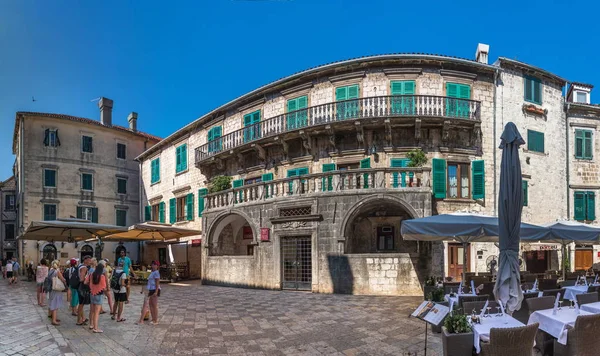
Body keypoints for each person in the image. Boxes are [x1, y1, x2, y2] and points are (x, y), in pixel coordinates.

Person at [136, 261, 160, 325]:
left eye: (155, 265)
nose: (153, 266)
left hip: (154, 289)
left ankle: (156, 320)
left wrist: (156, 291)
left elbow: (157, 283)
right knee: (151, 305)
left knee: (154, 305)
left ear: (157, 266)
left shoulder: (156, 273)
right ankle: (153, 318)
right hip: (150, 289)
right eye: (152, 265)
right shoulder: (152, 272)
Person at [85, 263, 106, 333]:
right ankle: (95, 328)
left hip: (92, 294)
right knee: (97, 312)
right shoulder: (102, 276)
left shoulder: (91, 274)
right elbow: (104, 286)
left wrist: (91, 285)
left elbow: (85, 282)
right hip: (99, 295)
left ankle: (91, 325)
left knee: (92, 311)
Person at [47, 260, 67, 326]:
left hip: (51, 289)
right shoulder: (57, 271)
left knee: (52, 302)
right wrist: (65, 281)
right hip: (56, 288)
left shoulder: (50, 270)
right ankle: (54, 320)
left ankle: (53, 316)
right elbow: (63, 279)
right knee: (55, 304)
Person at [76, 256, 92, 326]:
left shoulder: (80, 265)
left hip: (80, 286)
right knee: (81, 304)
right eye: (89, 260)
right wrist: (88, 281)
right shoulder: (84, 268)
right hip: (82, 287)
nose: (90, 262)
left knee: (81, 304)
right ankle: (79, 320)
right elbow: (82, 279)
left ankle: (83, 318)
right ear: (85, 260)